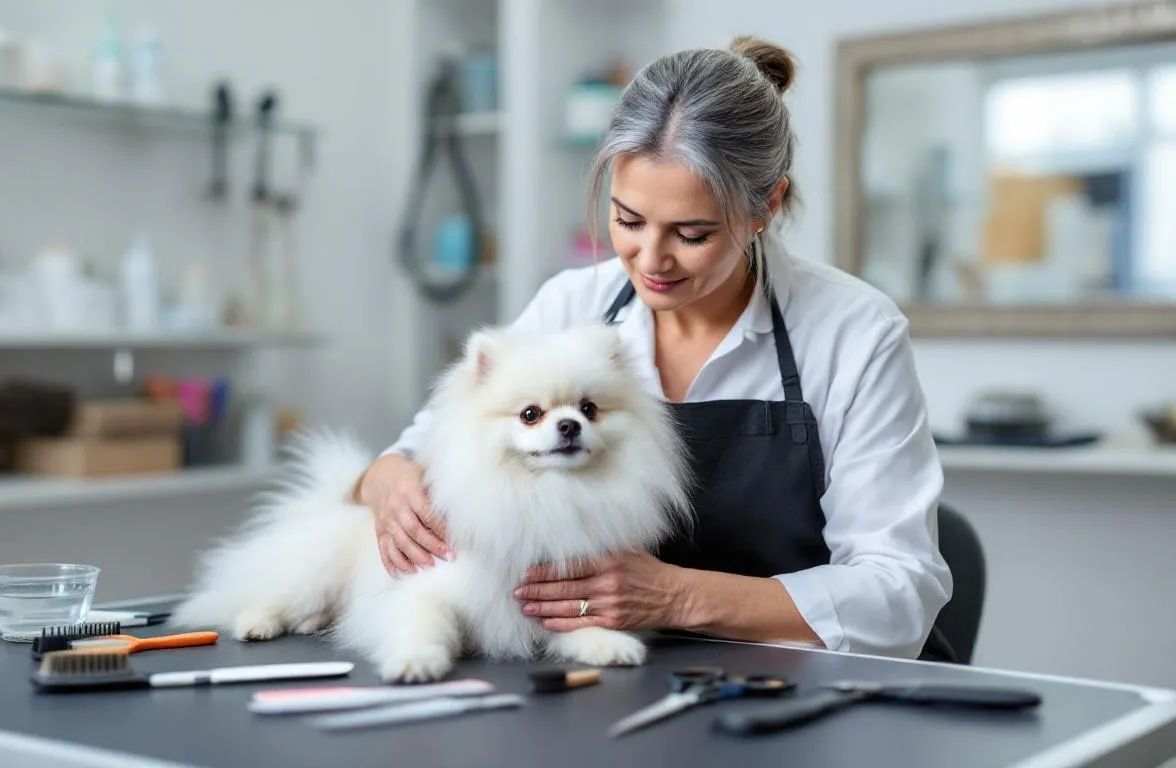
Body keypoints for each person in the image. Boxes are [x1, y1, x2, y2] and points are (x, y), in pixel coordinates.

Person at [355, 36, 954, 661]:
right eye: (628, 221)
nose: (650, 260)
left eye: (691, 233)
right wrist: (386, 480)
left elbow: (901, 588)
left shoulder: (853, 332)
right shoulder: (572, 305)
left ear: (764, 208)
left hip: (805, 685)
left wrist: (675, 597)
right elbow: (419, 449)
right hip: (620, 679)